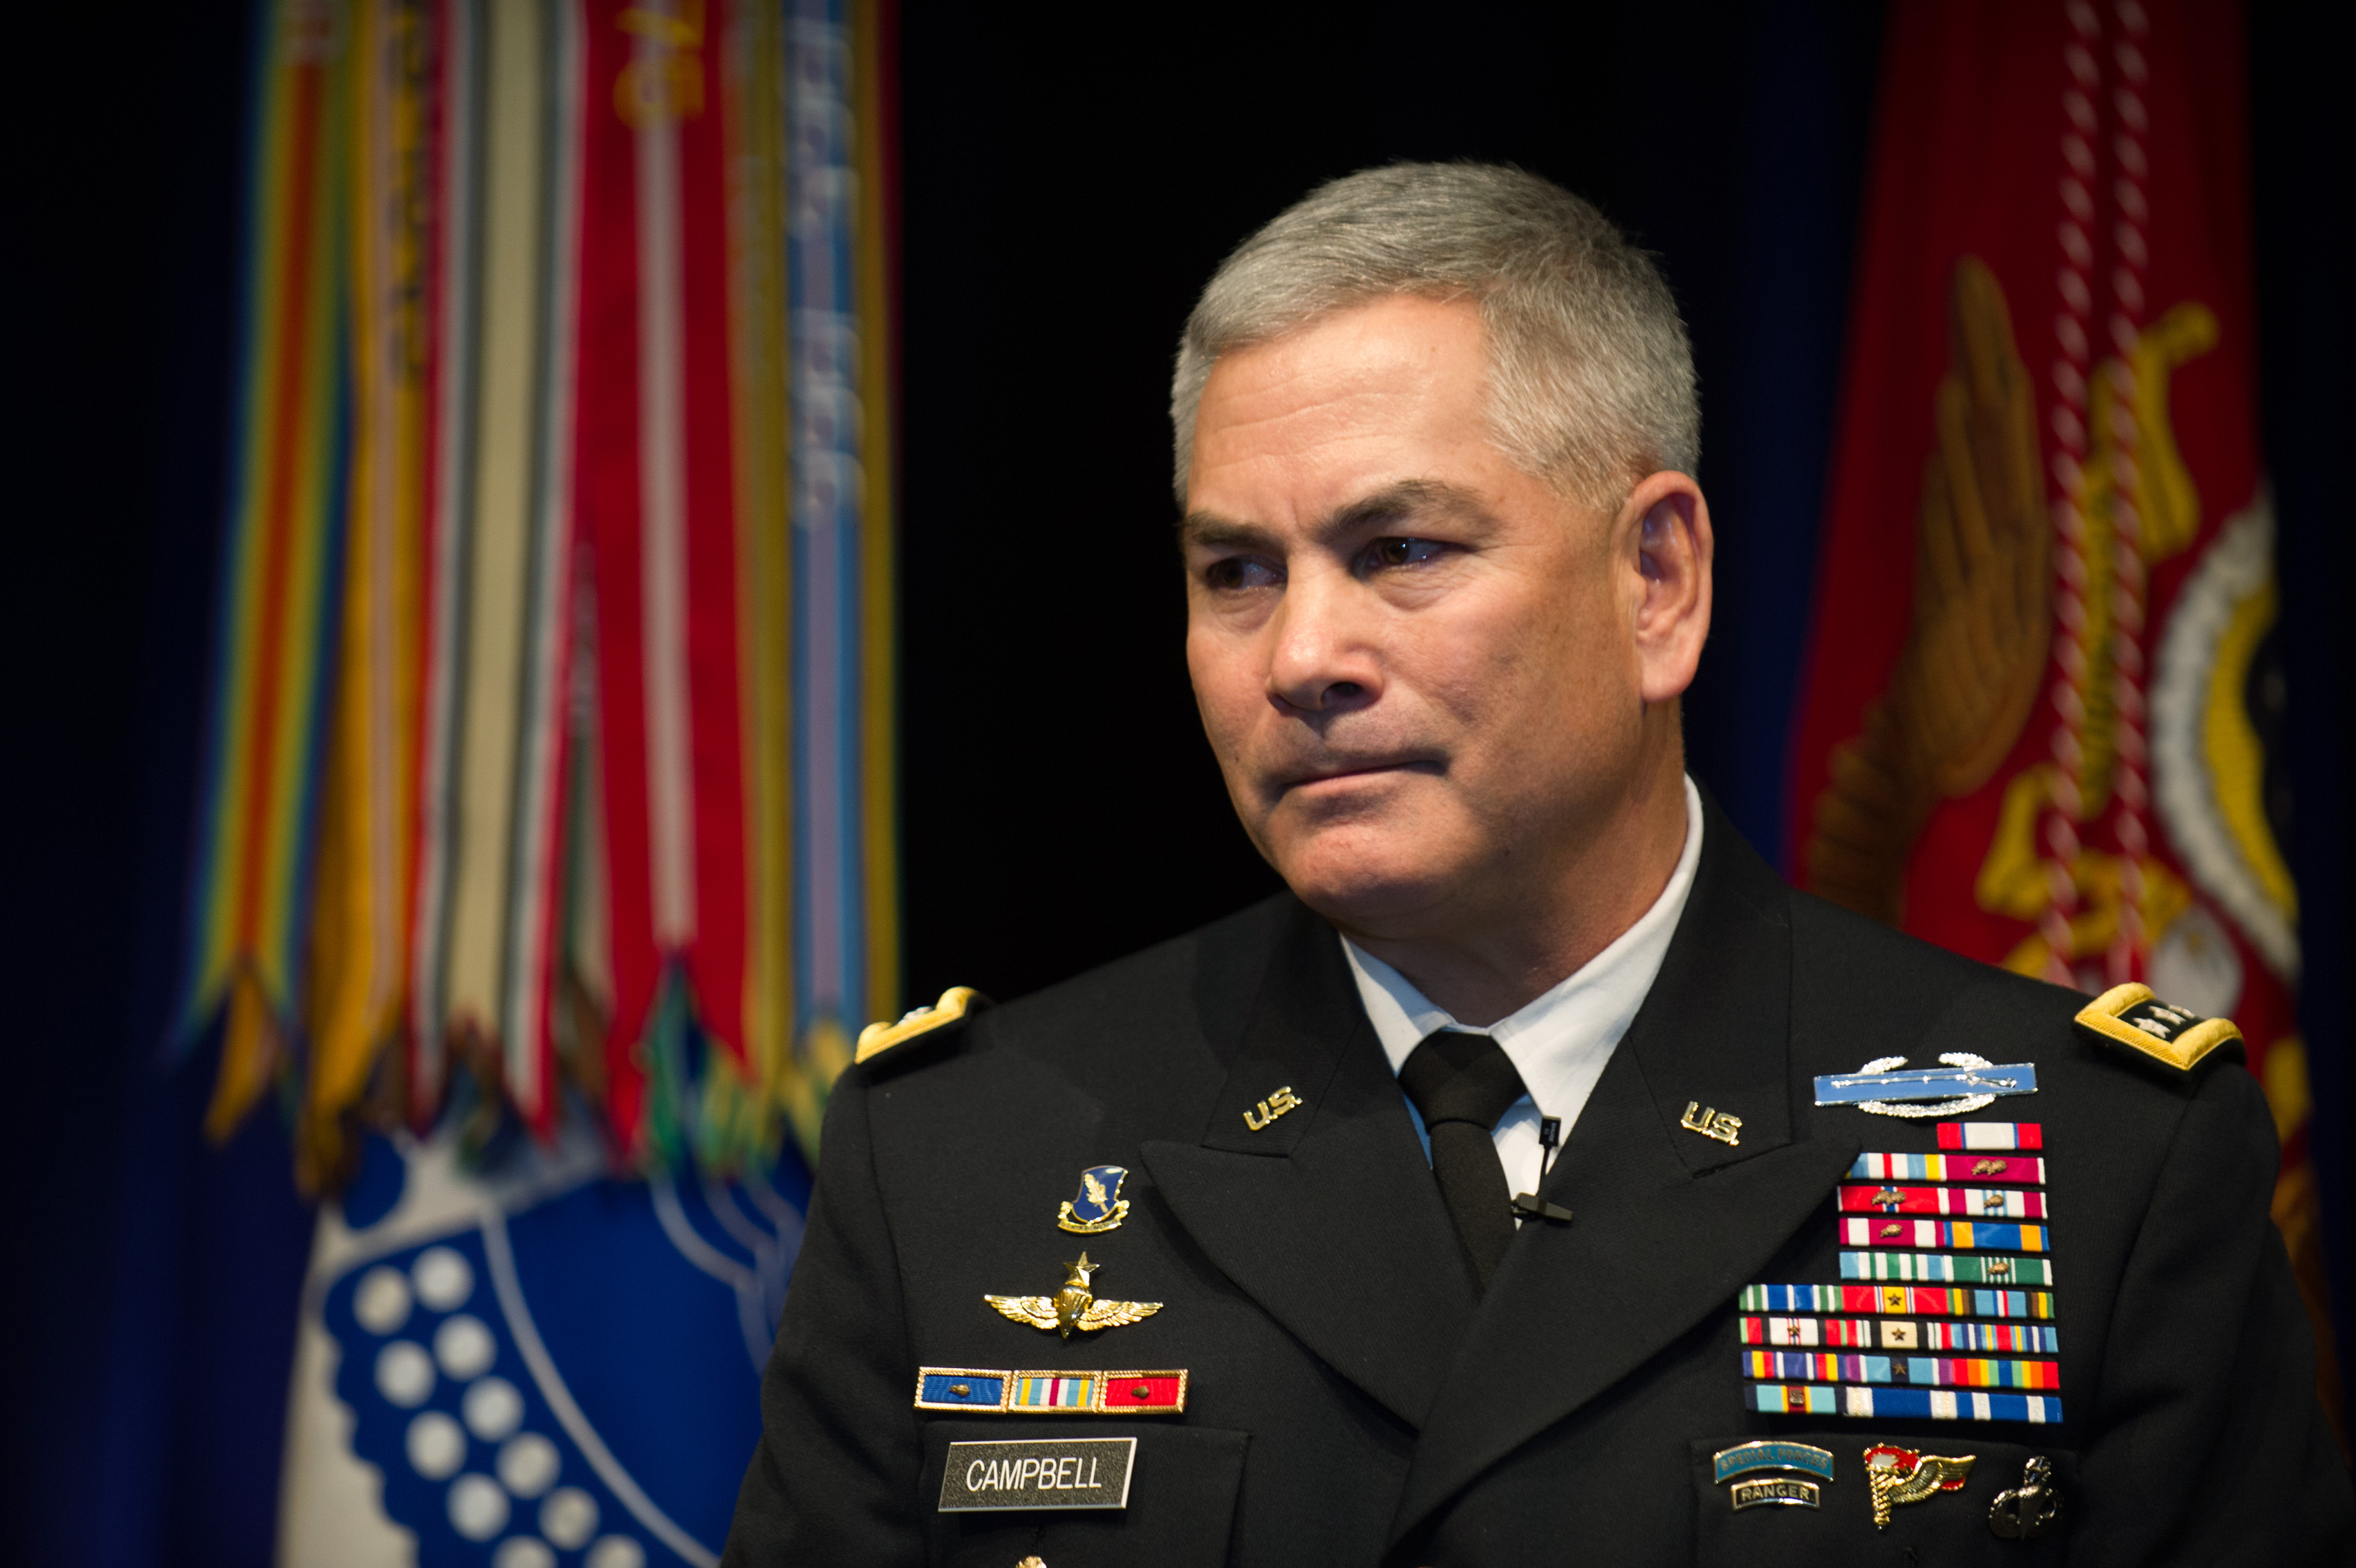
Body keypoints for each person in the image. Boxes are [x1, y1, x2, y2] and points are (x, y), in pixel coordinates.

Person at [721, 163, 2353, 1566]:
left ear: (1657, 580)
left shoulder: (2096, 1164)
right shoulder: (964, 1160)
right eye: (1236, 571)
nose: (1301, 654)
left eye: (1400, 552)